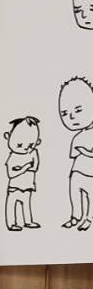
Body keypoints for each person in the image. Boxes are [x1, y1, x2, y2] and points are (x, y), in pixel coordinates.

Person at [59, 77, 93, 230]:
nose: (72, 117)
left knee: (90, 196)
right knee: (75, 195)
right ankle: (75, 217)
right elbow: (73, 154)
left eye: (78, 110)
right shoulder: (77, 137)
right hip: (77, 172)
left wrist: (84, 151)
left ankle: (88, 218)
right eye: (65, 113)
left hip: (90, 174)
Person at [2, 116, 41, 231]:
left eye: (31, 145)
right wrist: (25, 167)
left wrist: (24, 167)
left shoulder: (32, 153)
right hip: (14, 187)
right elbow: (11, 174)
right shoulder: (13, 157)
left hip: (27, 185)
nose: (25, 148)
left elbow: (35, 167)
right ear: (8, 137)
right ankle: (11, 224)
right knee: (11, 205)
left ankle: (28, 221)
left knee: (26, 204)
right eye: (19, 144)